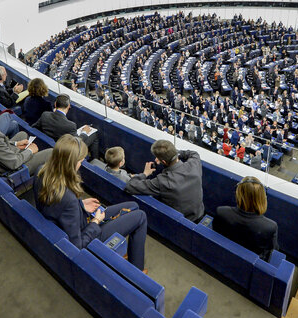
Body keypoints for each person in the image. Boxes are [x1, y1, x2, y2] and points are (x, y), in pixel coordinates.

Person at [35, 135, 147, 270]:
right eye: (80, 161)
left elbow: (57, 208)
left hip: (75, 220)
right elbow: (77, 245)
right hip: (88, 234)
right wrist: (95, 222)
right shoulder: (68, 198)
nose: (81, 164)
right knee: (141, 216)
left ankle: (132, 257)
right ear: (71, 163)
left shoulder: (41, 171)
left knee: (133, 206)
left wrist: (80, 204)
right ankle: (137, 271)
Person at [125, 140, 205, 222]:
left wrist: (145, 174)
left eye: (157, 158)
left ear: (163, 162)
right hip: (199, 214)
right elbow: (194, 153)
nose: (156, 159)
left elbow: (130, 186)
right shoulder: (194, 164)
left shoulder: (163, 181)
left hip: (179, 222)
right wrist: (175, 153)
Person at [213, 176, 278, 261]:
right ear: (262, 198)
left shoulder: (221, 211)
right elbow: (273, 250)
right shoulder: (270, 227)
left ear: (238, 194)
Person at [34, 94, 99, 160]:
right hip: (65, 150)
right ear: (68, 106)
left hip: (49, 146)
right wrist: (84, 132)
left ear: (55, 104)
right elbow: (76, 142)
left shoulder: (45, 115)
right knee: (94, 135)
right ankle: (95, 160)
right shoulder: (70, 125)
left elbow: (34, 127)